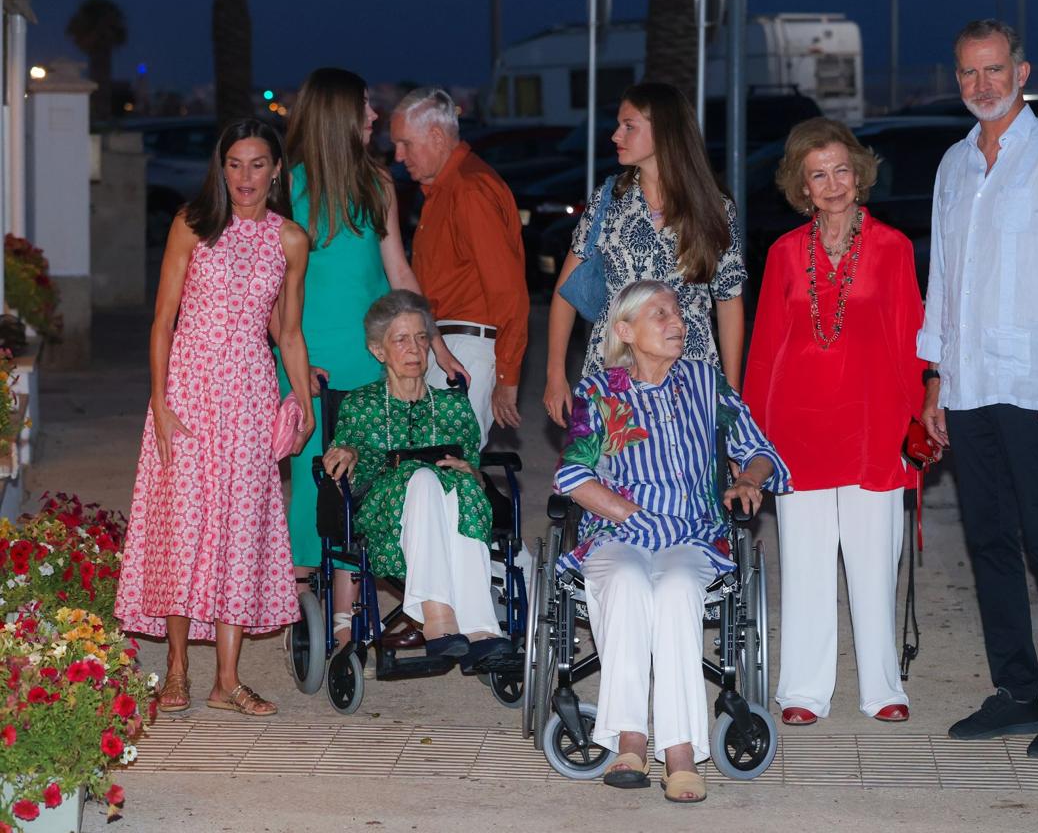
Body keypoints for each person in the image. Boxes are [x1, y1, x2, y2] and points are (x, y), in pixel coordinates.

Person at [918, 19, 1038, 759]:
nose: (981, 86)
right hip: (969, 387)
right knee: (990, 541)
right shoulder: (953, 166)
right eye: (968, 73)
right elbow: (945, 282)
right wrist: (936, 378)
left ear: (1021, 72)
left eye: (993, 70)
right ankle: (1014, 693)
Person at [555, 280, 789, 803]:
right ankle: (631, 738)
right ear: (625, 331)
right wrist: (632, 514)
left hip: (693, 533)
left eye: (677, 313)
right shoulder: (598, 391)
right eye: (659, 314)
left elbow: (759, 449)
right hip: (619, 531)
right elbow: (573, 476)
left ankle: (680, 749)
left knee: (679, 588)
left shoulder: (706, 384)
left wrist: (749, 478)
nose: (677, 322)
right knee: (629, 581)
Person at [116, 119, 312, 717]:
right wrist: (160, 400)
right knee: (183, 525)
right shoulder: (191, 225)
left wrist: (301, 401)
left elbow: (289, 332)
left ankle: (226, 680)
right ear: (220, 168)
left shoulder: (291, 240)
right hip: (190, 393)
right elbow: (162, 320)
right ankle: (176, 668)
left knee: (239, 529)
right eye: (234, 164)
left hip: (250, 395)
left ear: (277, 169)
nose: (245, 177)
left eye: (257, 164)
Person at [743, 118, 925, 727]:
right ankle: (803, 689)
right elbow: (765, 347)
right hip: (797, 430)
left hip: (875, 425)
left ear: (860, 173)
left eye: (841, 169)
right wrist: (752, 441)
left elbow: (911, 341)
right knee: (806, 563)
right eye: (817, 174)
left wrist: (923, 414)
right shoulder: (781, 253)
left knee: (876, 562)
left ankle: (882, 688)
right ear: (801, 185)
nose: (832, 183)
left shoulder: (895, 248)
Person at [282, 68, 463, 649]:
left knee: (370, 476)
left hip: (370, 359)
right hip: (309, 361)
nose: (373, 117)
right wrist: (290, 362)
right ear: (336, 114)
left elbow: (397, 270)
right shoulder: (289, 186)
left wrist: (433, 341)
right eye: (363, 107)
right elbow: (270, 286)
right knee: (315, 484)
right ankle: (297, 600)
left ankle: (347, 616)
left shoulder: (377, 183)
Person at [320, 290, 513, 670]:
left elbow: (472, 460)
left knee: (461, 484)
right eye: (401, 340)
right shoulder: (361, 405)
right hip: (387, 521)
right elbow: (345, 454)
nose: (414, 349)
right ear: (379, 351)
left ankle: (479, 628)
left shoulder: (454, 405)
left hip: (450, 514)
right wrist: (349, 453)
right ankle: (437, 615)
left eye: (422, 338)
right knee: (423, 477)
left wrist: (470, 471)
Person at [543, 82, 749, 427]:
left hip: (690, 372)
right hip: (615, 371)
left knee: (688, 476)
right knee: (614, 479)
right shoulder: (608, 200)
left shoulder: (714, 208)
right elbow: (566, 293)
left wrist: (731, 397)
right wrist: (554, 374)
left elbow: (729, 303)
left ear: (664, 132)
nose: (615, 135)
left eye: (629, 126)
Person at [390, 87, 529, 445]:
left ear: (436, 136)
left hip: (467, 349)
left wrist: (507, 378)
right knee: (434, 471)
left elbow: (507, 291)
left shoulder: (469, 190)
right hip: (449, 347)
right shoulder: (447, 189)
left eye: (405, 143)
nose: (398, 154)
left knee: (446, 472)